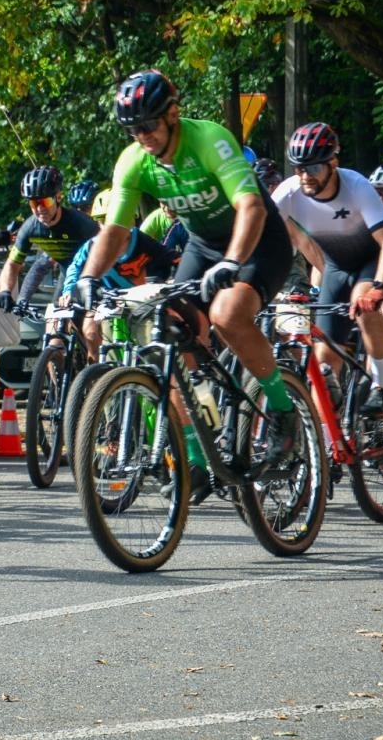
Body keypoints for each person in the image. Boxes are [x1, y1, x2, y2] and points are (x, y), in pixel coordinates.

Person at [77, 69, 300, 498]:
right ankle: (197, 457)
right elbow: (116, 232)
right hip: (203, 244)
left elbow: (251, 206)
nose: (142, 136)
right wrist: (88, 277)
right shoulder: (135, 160)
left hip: (256, 239)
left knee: (226, 314)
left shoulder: (209, 139)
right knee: (168, 332)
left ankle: (281, 408)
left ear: (173, 114)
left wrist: (233, 261)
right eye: (132, 129)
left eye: (148, 125)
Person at [273, 127, 383, 417]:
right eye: (299, 168)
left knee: (363, 303)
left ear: (333, 163)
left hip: (373, 259)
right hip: (336, 266)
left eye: (314, 167)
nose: (306, 175)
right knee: (323, 362)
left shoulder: (356, 186)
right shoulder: (289, 191)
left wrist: (379, 288)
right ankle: (329, 444)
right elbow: (269, 239)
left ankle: (382, 385)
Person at [60, 188, 184, 359]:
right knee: (89, 332)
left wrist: (175, 277)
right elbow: (75, 268)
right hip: (106, 302)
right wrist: (68, 291)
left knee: (152, 348)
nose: (108, 227)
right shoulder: (91, 247)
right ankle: (97, 377)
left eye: (113, 220)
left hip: (140, 306)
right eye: (101, 220)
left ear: (131, 219)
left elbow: (170, 259)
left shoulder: (142, 242)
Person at [0, 167, 99, 316]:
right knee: (54, 329)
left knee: (89, 332)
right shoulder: (29, 228)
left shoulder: (81, 223)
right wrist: (6, 291)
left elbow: (109, 252)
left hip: (94, 275)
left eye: (45, 202)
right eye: (34, 204)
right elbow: (13, 264)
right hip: (66, 275)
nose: (40, 209)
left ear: (58, 197)